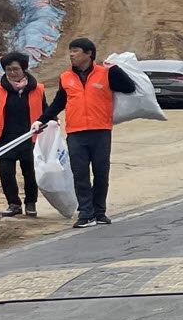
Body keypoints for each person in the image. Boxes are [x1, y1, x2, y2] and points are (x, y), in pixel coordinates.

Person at [35, 37, 138, 229]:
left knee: (101, 173)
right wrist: (42, 120)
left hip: (101, 131)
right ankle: (85, 213)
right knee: (80, 173)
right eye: (71, 51)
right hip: (76, 132)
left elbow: (129, 87)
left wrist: (115, 69)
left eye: (76, 51)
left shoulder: (105, 73)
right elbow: (59, 102)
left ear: (89, 53)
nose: (71, 54)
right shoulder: (66, 77)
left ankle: (100, 212)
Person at [0, 51, 45, 218]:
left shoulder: (37, 89)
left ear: (24, 69)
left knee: (30, 172)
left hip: (29, 137)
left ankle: (30, 203)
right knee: (6, 173)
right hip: (4, 138)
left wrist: (53, 121)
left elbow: (46, 110)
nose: (12, 73)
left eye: (15, 69)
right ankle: (13, 204)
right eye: (8, 70)